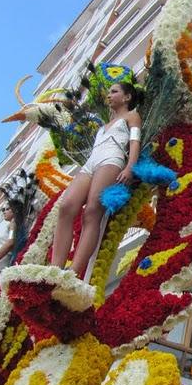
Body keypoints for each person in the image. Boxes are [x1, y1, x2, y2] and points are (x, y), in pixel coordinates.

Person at [51, 82, 143, 277]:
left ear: (127, 97)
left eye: (114, 92)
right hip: (91, 163)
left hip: (111, 160)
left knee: (92, 211)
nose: (109, 95)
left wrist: (130, 167)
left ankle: (74, 271)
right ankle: (55, 267)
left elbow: (135, 143)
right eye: (108, 92)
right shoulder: (103, 125)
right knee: (66, 206)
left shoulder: (132, 116)